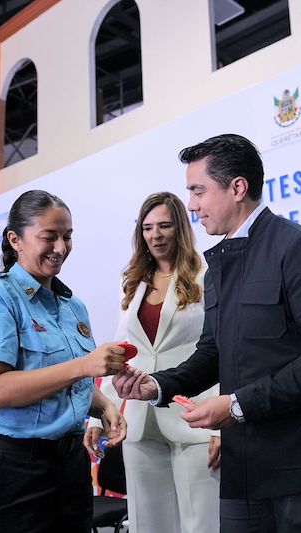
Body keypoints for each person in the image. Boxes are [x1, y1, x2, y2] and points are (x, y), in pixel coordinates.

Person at [113, 134, 301, 532]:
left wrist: (235, 406)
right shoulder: (219, 268)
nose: (192, 205)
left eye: (198, 191)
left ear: (237, 188)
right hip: (244, 467)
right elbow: (212, 352)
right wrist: (155, 386)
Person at [0, 190, 128, 533]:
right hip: (9, 471)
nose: (61, 247)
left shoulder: (72, 307)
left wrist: (104, 406)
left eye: (67, 236)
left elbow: (68, 384)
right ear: (15, 239)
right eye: (49, 237)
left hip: (69, 470)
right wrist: (85, 366)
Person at [84, 192, 220, 533]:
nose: (155, 235)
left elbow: (220, 351)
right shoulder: (131, 281)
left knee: (201, 524)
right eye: (147, 228)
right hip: (140, 421)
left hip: (195, 416)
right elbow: (121, 353)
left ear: (181, 228)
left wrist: (222, 427)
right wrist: (101, 414)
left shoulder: (207, 275)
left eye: (164, 226)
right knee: (149, 524)